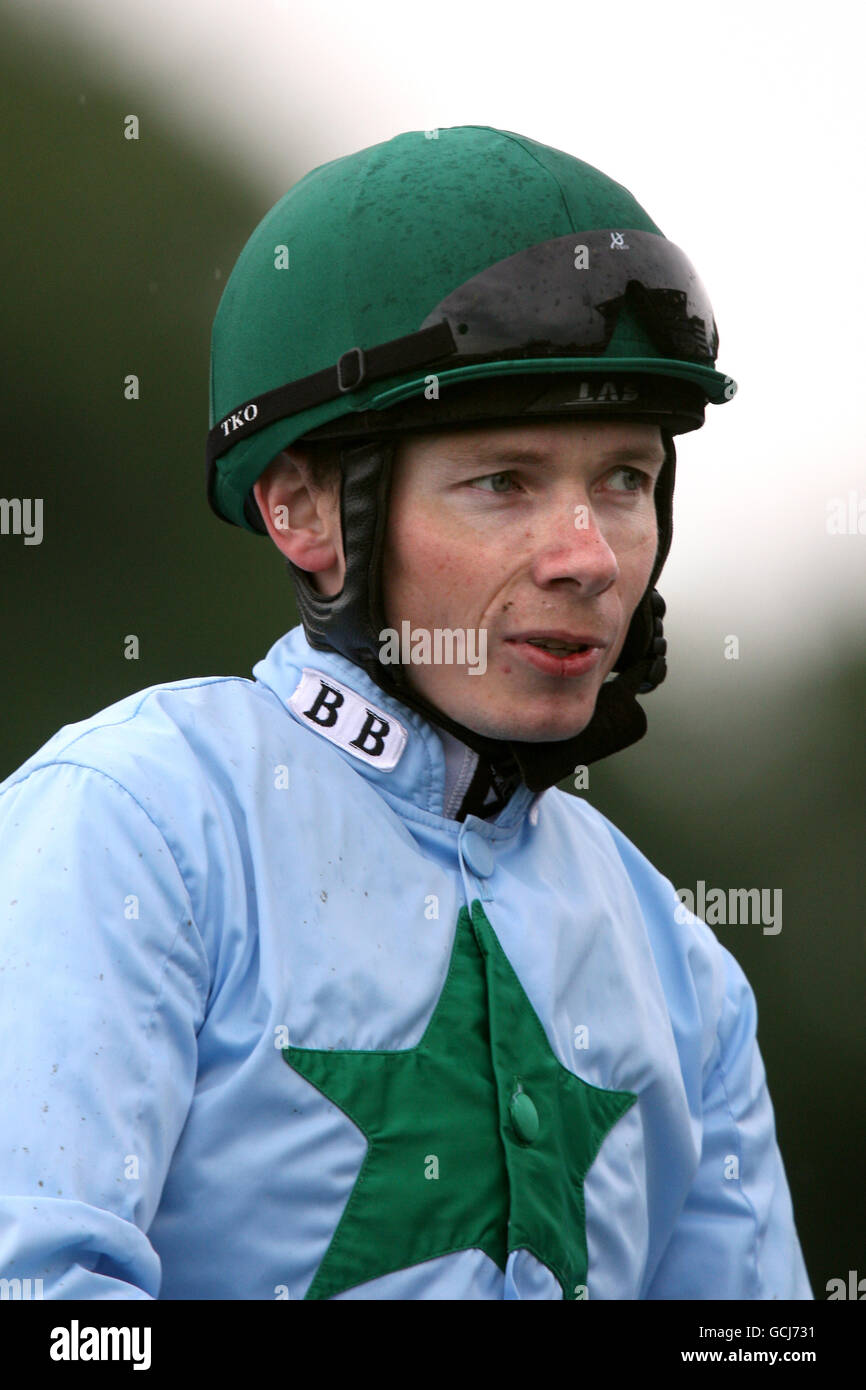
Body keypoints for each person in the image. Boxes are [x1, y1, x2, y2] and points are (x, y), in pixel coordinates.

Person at [0, 126, 811, 1300]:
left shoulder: (680, 966)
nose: (586, 555)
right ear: (302, 511)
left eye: (623, 480)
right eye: (504, 481)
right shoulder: (133, 826)